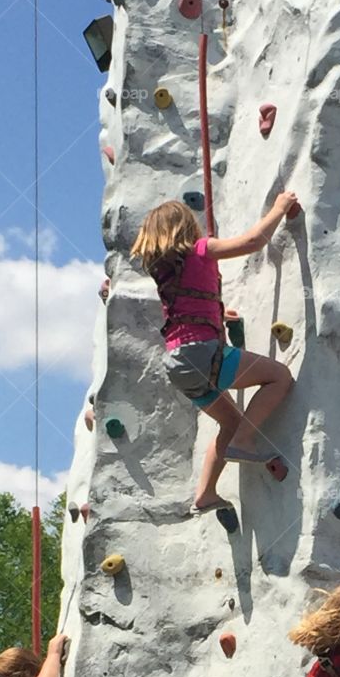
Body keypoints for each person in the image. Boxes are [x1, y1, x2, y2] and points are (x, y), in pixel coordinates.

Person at [130, 195, 297, 515]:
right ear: (185, 226)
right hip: (202, 354)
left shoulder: (166, 272)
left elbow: (189, 307)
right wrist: (279, 208)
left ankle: (205, 494)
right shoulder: (201, 249)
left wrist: (218, 318)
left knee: (229, 422)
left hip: (179, 364)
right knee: (280, 376)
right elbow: (253, 241)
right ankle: (244, 441)